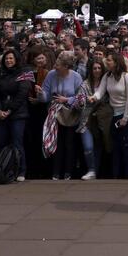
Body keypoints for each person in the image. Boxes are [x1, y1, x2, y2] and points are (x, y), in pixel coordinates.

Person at [39, 50, 83, 180]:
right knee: (56, 143)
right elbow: (46, 96)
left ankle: (68, 171)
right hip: (54, 114)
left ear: (66, 66)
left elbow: (81, 98)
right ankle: (55, 172)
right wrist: (41, 93)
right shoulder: (51, 75)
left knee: (69, 143)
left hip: (70, 114)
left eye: (58, 64)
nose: (55, 66)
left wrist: (67, 100)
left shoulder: (76, 77)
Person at [91, 52, 128, 179]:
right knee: (114, 145)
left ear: (116, 62)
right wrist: (93, 97)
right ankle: (116, 174)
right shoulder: (107, 76)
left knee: (126, 145)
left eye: (109, 60)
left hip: (127, 114)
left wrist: (125, 118)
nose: (106, 62)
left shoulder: (127, 77)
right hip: (113, 114)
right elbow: (100, 91)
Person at [0, 50, 32, 182]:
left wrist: (10, 110)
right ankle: (2, 170)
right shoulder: (1, 75)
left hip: (18, 114)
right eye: (6, 59)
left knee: (17, 143)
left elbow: (22, 94)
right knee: (1, 143)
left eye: (11, 58)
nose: (8, 61)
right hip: (2, 114)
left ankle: (21, 170)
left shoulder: (24, 73)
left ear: (16, 59)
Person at [75, 59, 107, 180]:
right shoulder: (85, 84)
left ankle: (96, 172)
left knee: (99, 147)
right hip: (86, 121)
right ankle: (91, 170)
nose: (97, 70)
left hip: (101, 120)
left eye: (99, 68)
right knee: (88, 147)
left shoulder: (106, 83)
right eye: (95, 68)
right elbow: (79, 101)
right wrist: (83, 101)